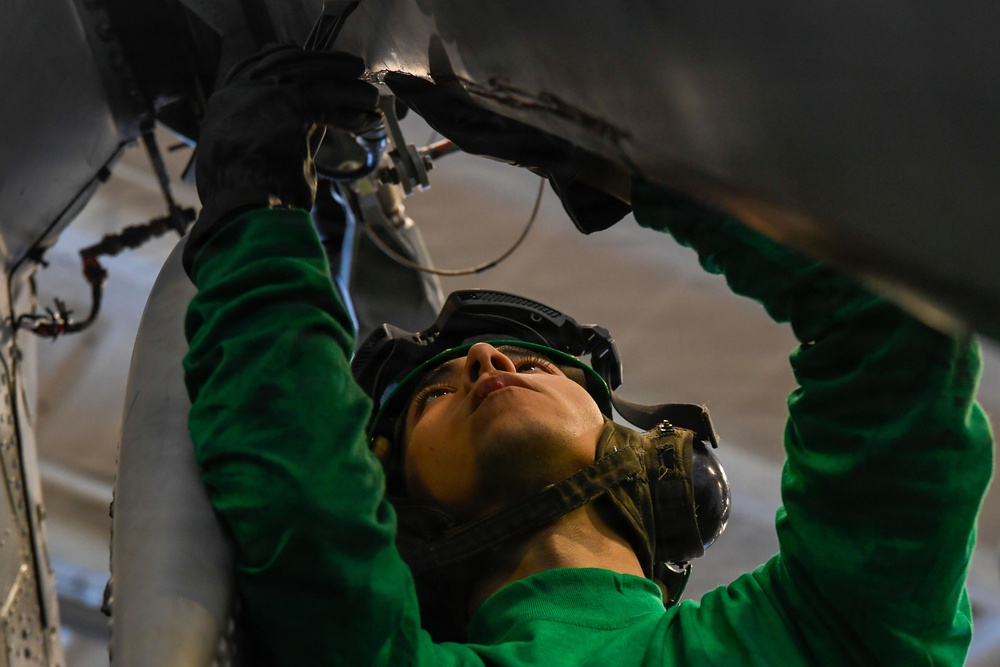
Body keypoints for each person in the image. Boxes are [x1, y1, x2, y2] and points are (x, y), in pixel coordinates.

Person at [182, 45, 994, 665]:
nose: (488, 363)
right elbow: (307, 506)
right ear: (393, 503)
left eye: (535, 363)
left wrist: (613, 157)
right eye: (431, 392)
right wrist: (255, 224)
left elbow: (893, 332)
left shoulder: (818, 636)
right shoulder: (813, 641)